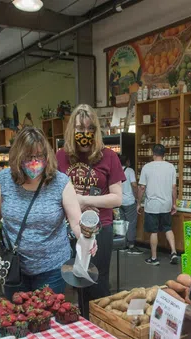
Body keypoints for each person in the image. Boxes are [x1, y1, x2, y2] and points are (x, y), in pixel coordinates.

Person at [0, 127, 94, 296]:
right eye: (28, 157)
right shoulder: (4, 180)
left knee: (46, 315)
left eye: (39, 156)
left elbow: (75, 222)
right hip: (15, 267)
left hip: (52, 268)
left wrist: (85, 239)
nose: (34, 161)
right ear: (18, 157)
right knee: (17, 317)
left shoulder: (60, 182)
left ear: (47, 156)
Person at [56, 104, 125, 302]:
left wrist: (82, 200)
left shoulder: (109, 156)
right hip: (67, 228)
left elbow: (117, 198)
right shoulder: (61, 156)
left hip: (99, 228)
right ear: (72, 130)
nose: (85, 133)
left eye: (90, 129)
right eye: (80, 129)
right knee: (74, 281)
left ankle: (99, 326)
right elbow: (53, 193)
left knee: (97, 281)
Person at [138, 144, 178, 265]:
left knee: (153, 231)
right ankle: (174, 252)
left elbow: (142, 187)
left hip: (152, 205)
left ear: (153, 153)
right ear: (164, 154)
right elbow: (174, 187)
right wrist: (174, 203)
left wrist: (138, 202)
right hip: (166, 204)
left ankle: (154, 258)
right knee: (168, 228)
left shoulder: (147, 167)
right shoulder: (171, 167)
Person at [118, 154, 142, 255]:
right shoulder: (130, 171)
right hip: (129, 201)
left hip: (119, 201)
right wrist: (137, 197)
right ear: (127, 161)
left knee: (122, 223)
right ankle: (131, 245)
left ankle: (122, 245)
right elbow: (134, 185)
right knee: (131, 223)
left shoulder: (116, 170)